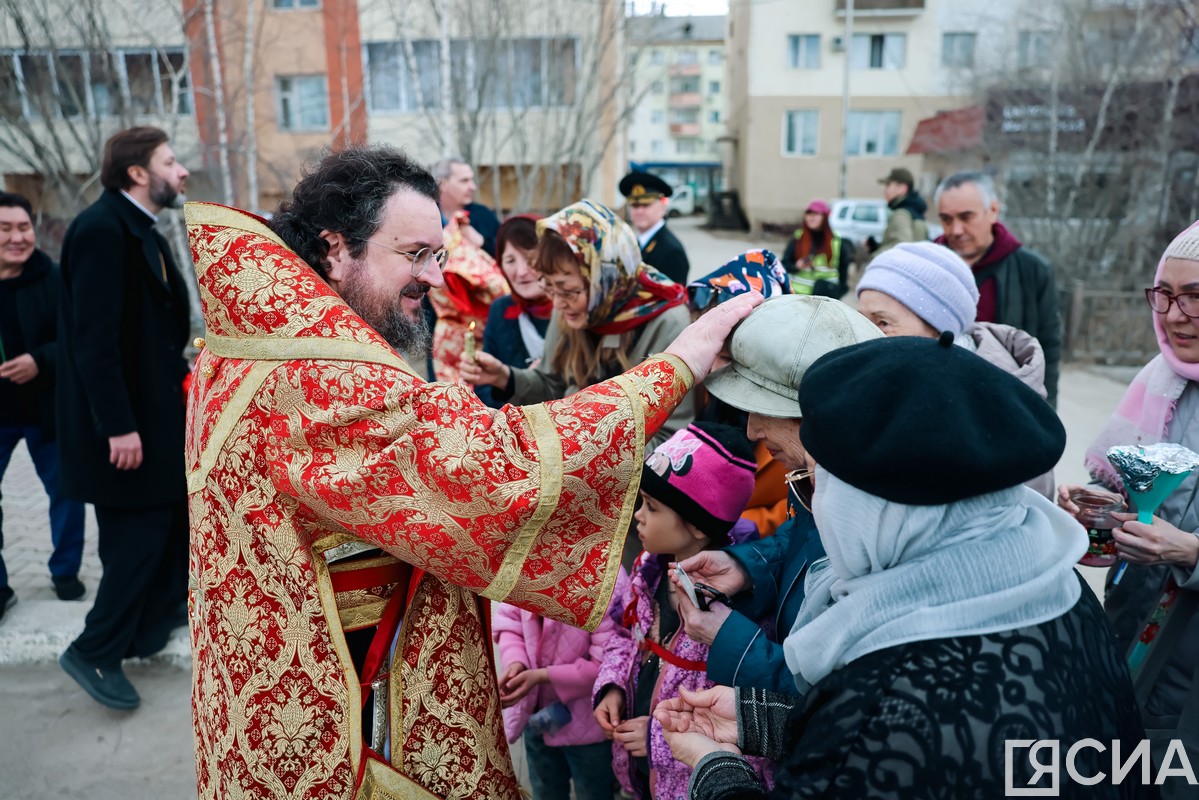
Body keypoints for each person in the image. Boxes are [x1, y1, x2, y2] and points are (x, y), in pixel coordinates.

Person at [184, 146, 760, 800]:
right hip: (345, 715)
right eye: (415, 254)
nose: (436, 277)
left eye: (439, 253)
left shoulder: (263, 343)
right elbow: (492, 467)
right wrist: (678, 362)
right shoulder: (308, 373)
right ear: (336, 247)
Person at [659, 335, 1150, 799]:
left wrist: (716, 770)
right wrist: (769, 723)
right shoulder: (1055, 586)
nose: (819, 506)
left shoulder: (887, 689)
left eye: (818, 483)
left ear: (879, 511)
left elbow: (884, 745)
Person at [674, 296, 884, 693]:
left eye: (764, 409)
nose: (752, 431)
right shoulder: (823, 479)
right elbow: (807, 540)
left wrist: (732, 641)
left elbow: (828, 693)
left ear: (814, 414)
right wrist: (748, 567)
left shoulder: (872, 525)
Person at [1058, 220, 1199, 797]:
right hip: (1136, 644)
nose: (1172, 314)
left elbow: (1182, 533)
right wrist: (1100, 520)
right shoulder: (1160, 382)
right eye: (1164, 293)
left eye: (1195, 296)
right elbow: (1140, 503)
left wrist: (1191, 552)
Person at [56, 126, 191, 711]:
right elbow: (93, 343)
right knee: (137, 539)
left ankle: (145, 629)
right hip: (125, 430)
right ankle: (94, 650)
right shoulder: (101, 231)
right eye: (170, 161)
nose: (181, 171)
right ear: (138, 173)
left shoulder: (136, 227)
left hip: (153, 422)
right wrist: (118, 426)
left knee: (164, 527)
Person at [593, 422, 770, 799]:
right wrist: (611, 685)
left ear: (696, 526)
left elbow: (745, 734)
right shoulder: (648, 571)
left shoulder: (737, 614)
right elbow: (628, 636)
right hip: (643, 777)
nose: (637, 515)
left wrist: (656, 738)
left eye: (652, 506)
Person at [462, 199, 694, 448]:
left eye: (570, 291)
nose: (558, 304)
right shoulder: (571, 309)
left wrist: (580, 450)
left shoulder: (667, 321)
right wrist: (506, 378)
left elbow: (670, 438)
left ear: (606, 279)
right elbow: (553, 384)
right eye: (549, 287)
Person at [855, 241, 1054, 498]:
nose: (863, 336)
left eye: (883, 322)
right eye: (860, 318)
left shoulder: (1004, 412)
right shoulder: (896, 376)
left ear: (941, 329)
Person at [0, 191, 86, 620]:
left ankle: (65, 571)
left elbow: (74, 338)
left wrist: (39, 360)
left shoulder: (53, 278)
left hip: (47, 411)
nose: (18, 237)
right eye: (6, 229)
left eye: (23, 227)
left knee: (65, 494)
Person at [935, 170, 1062, 406]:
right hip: (938, 401)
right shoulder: (922, 266)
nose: (955, 230)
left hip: (1006, 402)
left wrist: (1045, 412)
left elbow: (1048, 349)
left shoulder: (1033, 270)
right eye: (946, 219)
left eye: (966, 217)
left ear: (993, 210)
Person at [687, 250, 791, 536]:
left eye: (725, 356)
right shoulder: (707, 390)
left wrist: (733, 526)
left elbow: (801, 508)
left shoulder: (796, 416)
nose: (708, 368)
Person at [492, 597, 618, 800]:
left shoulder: (605, 581)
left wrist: (541, 676)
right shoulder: (524, 570)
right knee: (545, 791)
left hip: (589, 729)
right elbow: (510, 620)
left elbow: (610, 663)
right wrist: (516, 662)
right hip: (537, 720)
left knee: (593, 791)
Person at [427, 196, 508, 382]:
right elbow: (496, 287)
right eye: (464, 180)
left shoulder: (480, 218)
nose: (471, 187)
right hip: (452, 333)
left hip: (474, 331)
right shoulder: (451, 251)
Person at [477, 215, 552, 408]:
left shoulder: (572, 308)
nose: (521, 272)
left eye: (530, 259)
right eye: (510, 260)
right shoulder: (500, 310)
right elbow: (484, 387)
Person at [620, 170, 690, 285]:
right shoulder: (636, 242)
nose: (639, 211)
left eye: (646, 205)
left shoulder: (672, 251)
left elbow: (672, 300)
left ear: (663, 207)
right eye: (635, 205)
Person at [778, 200, 851, 298]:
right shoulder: (798, 238)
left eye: (816, 214)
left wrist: (838, 293)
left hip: (825, 298)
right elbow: (784, 265)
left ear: (824, 217)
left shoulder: (837, 241)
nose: (811, 218)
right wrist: (796, 266)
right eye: (809, 214)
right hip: (799, 297)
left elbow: (843, 271)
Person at [432, 156, 499, 256]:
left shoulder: (484, 216)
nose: (473, 187)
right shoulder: (426, 215)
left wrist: (483, 242)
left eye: (472, 180)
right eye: (464, 180)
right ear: (443, 184)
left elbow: (504, 253)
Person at [869, 166, 929, 259]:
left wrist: (874, 258)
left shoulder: (901, 214)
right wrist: (876, 246)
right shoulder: (915, 212)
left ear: (902, 188)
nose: (885, 190)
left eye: (888, 185)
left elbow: (900, 247)